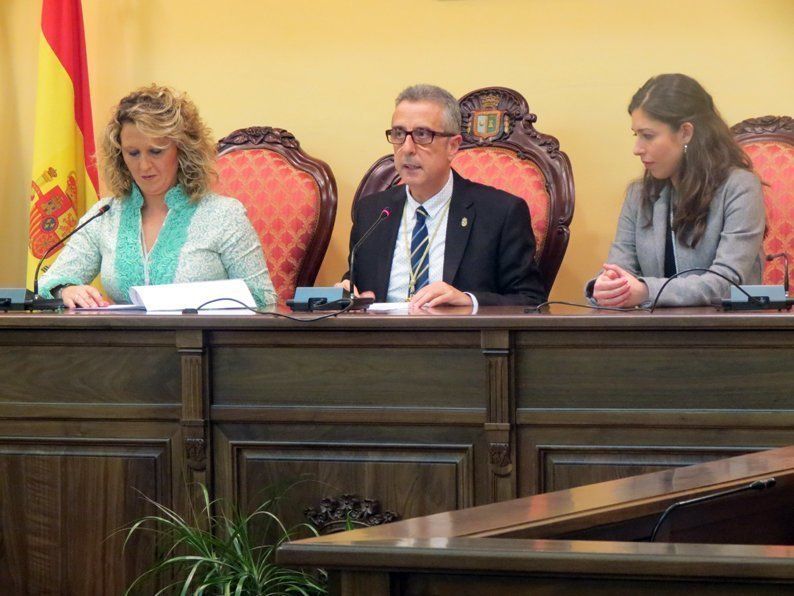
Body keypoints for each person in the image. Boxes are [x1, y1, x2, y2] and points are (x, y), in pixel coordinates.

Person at [38, 84, 277, 308]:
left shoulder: (224, 215)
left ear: (182, 150)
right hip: (124, 350)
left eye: (156, 151)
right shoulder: (104, 216)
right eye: (133, 153)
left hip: (204, 347)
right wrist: (66, 290)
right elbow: (53, 283)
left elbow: (263, 298)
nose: (144, 166)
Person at [340, 84, 546, 308]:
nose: (407, 148)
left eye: (422, 134)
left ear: (453, 146)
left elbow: (531, 301)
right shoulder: (373, 212)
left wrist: (469, 301)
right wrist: (345, 293)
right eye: (399, 134)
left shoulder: (500, 213)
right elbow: (357, 283)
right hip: (379, 340)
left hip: (461, 340)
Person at [587, 74, 765, 307]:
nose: (637, 148)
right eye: (636, 135)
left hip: (726, 335)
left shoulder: (740, 187)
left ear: (685, 133)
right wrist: (604, 287)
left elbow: (726, 283)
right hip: (651, 335)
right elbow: (620, 269)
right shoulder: (638, 194)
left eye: (647, 136)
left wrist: (645, 291)